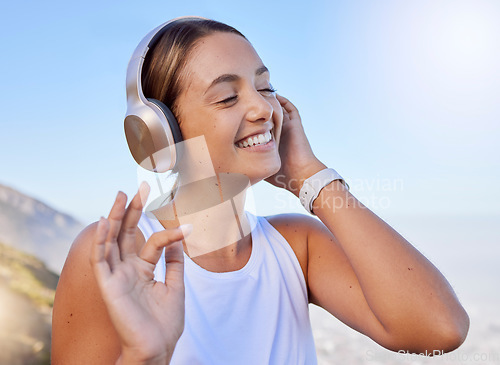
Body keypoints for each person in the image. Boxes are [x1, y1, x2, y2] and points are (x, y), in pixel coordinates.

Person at [52, 17, 469, 365]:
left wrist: (308, 177)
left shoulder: (297, 246)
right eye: (228, 96)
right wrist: (144, 357)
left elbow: (439, 329)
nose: (263, 109)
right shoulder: (116, 257)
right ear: (160, 134)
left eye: (265, 87)